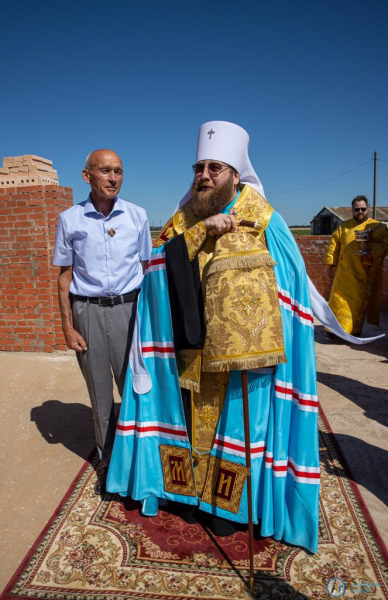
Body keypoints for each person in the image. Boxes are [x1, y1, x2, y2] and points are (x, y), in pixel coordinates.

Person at [107, 122, 320, 553]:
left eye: (215, 168)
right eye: (199, 167)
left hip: (246, 357)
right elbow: (154, 269)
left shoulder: (264, 218)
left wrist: (255, 315)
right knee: (188, 424)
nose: (204, 175)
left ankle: (229, 510)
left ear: (236, 175)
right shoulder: (184, 217)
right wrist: (203, 233)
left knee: (239, 427)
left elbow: (292, 281)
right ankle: (187, 495)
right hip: (190, 347)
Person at [53, 149, 152, 495]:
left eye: (119, 171)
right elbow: (64, 276)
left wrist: (150, 320)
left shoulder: (137, 216)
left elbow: (146, 269)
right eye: (106, 171)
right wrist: (68, 326)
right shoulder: (69, 219)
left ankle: (141, 460)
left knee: (137, 388)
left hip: (130, 310)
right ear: (87, 176)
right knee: (100, 393)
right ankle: (110, 463)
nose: (113, 178)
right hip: (88, 312)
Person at [324, 195, 388, 336]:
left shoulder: (378, 227)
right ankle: (333, 331)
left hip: (362, 274)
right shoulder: (343, 227)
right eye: (357, 209)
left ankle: (353, 332)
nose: (360, 212)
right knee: (337, 303)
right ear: (352, 210)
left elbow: (386, 245)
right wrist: (330, 265)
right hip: (343, 274)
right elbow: (333, 245)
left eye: (363, 209)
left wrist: (371, 247)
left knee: (356, 306)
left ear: (368, 209)